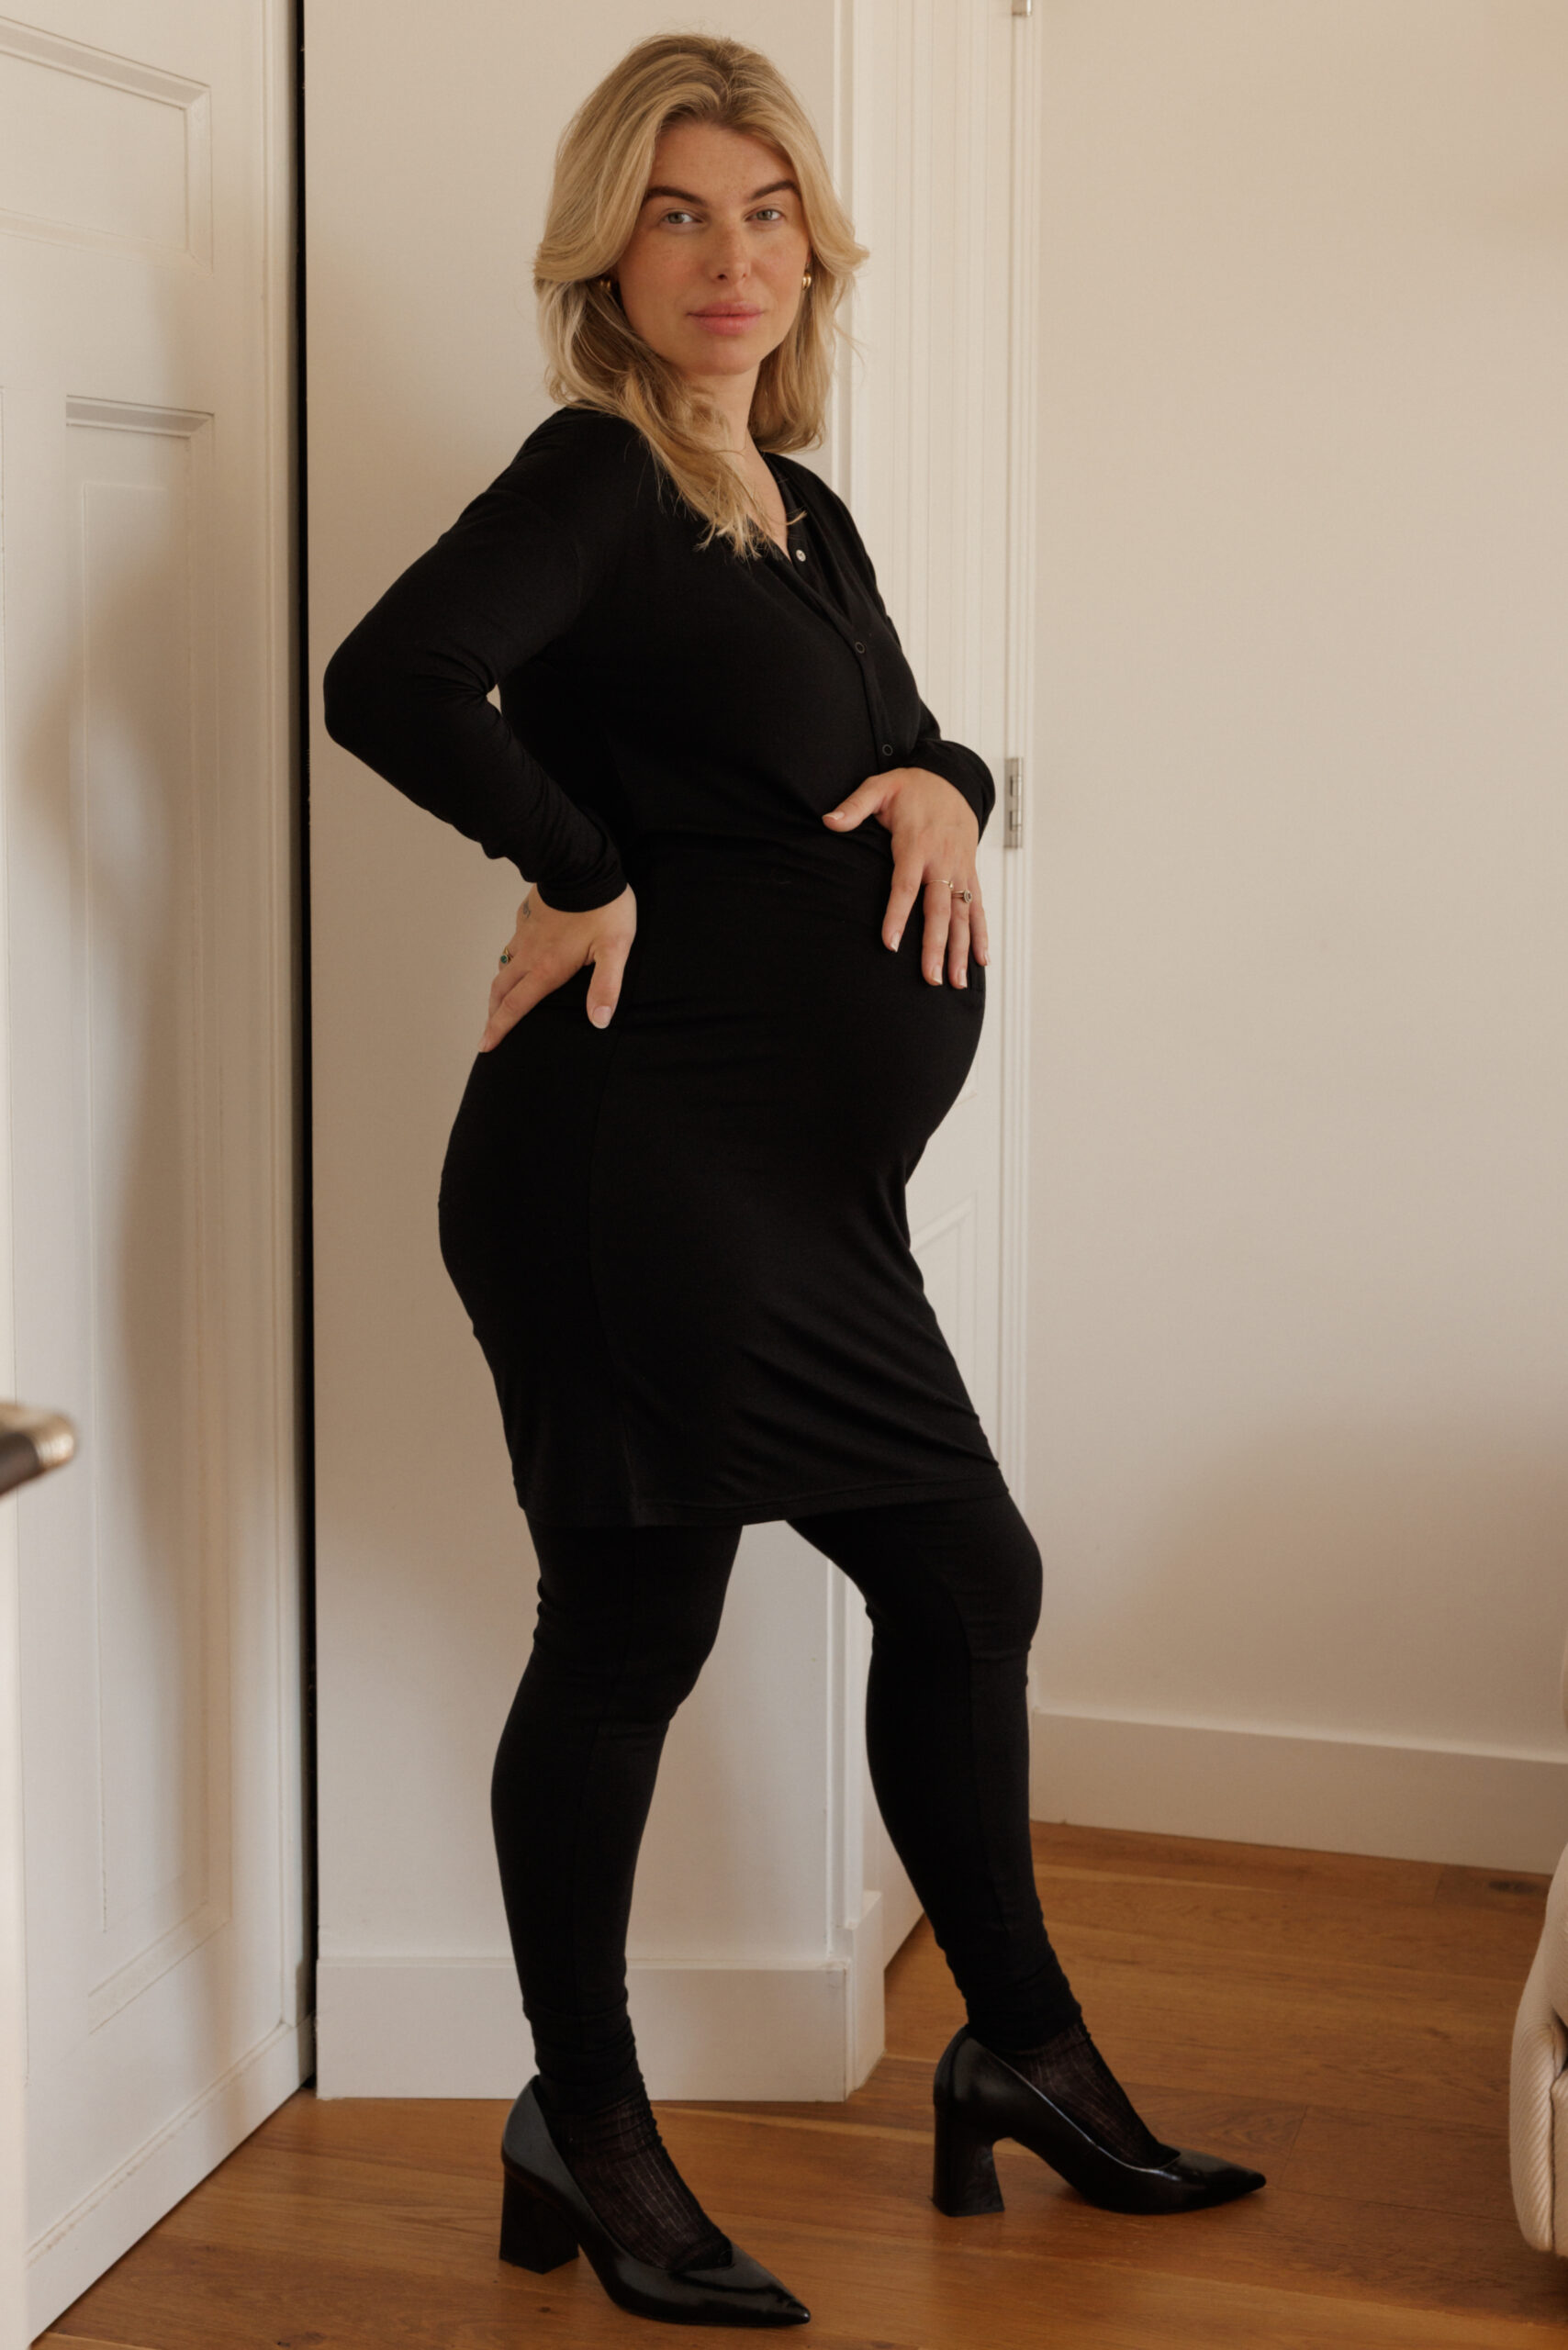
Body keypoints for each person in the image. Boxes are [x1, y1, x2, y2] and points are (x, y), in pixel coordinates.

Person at [322, 29, 1264, 2331]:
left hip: (790, 1193)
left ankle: (1019, 2049)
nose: (728, 259)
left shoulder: (789, 503)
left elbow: (891, 737)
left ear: (812, 250)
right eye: (676, 213)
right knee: (631, 1631)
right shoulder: (596, 472)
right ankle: (588, 2119)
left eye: (763, 214)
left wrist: (950, 781)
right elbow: (393, 676)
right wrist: (578, 864)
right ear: (604, 252)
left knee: (961, 1577)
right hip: (632, 1170)